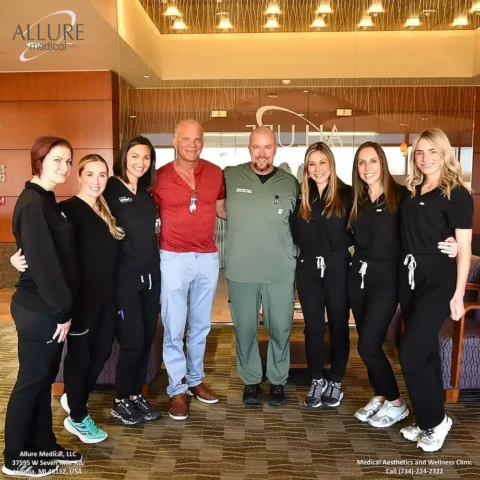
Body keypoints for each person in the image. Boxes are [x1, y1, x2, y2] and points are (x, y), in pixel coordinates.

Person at [348, 142, 457, 429]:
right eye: (361, 162)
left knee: (368, 346)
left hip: (390, 280)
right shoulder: (357, 199)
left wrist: (454, 242)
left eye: (373, 161)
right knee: (367, 342)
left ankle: (396, 403)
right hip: (358, 278)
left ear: (383, 163)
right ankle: (381, 395)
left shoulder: (402, 197)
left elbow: (427, 225)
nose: (367, 168)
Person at [3, 136, 82, 477]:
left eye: (67, 161)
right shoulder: (34, 203)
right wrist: (62, 312)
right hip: (41, 309)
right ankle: (16, 456)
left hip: (47, 306)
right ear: (38, 161)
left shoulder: (46, 199)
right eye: (57, 160)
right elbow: (45, 265)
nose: (64, 167)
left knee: (43, 379)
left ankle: (43, 446)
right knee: (31, 382)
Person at [398, 129, 473, 452]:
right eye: (419, 152)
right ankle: (428, 417)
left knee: (410, 353)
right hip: (409, 276)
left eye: (432, 152)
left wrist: (458, 295)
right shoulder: (412, 189)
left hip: (438, 279)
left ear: (444, 155)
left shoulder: (457, 193)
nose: (425, 158)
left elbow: (465, 248)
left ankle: (436, 422)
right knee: (426, 352)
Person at [152, 119, 226, 421]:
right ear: (174, 141)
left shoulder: (216, 173)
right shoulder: (159, 178)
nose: (192, 145)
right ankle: (176, 388)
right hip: (173, 257)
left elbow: (223, 210)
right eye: (186, 139)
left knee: (200, 326)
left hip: (207, 256)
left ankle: (195, 380)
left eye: (197, 139)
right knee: (174, 327)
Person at [224, 126, 299, 407]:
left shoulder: (291, 183)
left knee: (280, 328)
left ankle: (278, 381)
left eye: (267, 147)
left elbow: (298, 225)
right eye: (257, 147)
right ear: (249, 148)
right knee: (245, 328)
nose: (262, 153)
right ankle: (251, 381)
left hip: (279, 270)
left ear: (276, 149)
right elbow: (218, 206)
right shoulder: (230, 176)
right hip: (241, 270)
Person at [103, 136, 161, 425]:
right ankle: (120, 400)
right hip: (124, 280)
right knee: (132, 340)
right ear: (124, 156)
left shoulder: (146, 193)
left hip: (151, 277)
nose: (141, 162)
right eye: (135, 156)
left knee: (147, 337)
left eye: (147, 158)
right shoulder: (110, 188)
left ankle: (137, 395)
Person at [291, 142, 352, 408]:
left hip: (338, 266)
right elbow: (293, 232)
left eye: (322, 163)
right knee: (313, 327)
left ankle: (335, 380)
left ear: (331, 164)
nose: (317, 169)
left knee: (339, 325)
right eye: (312, 164)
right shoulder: (301, 197)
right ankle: (317, 378)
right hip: (307, 269)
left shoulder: (348, 194)